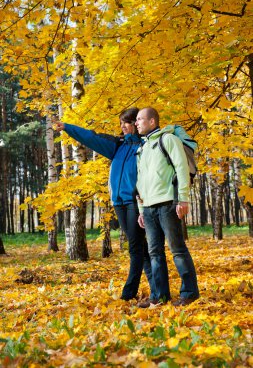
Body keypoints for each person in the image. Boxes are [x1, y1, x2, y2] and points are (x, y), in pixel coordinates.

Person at [53, 108, 155, 301]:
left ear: (137, 123)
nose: (123, 126)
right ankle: (157, 290)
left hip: (135, 202)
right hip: (118, 202)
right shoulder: (118, 145)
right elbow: (91, 138)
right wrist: (67, 127)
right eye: (121, 123)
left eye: (126, 122)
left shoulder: (144, 146)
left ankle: (129, 294)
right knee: (140, 248)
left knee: (135, 247)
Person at [135, 107, 199, 308]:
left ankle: (189, 293)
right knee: (155, 253)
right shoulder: (142, 148)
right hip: (149, 207)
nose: (136, 123)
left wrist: (183, 199)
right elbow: (140, 181)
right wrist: (141, 209)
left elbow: (181, 169)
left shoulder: (168, 140)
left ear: (152, 121)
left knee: (177, 250)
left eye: (140, 119)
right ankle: (159, 296)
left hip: (168, 203)